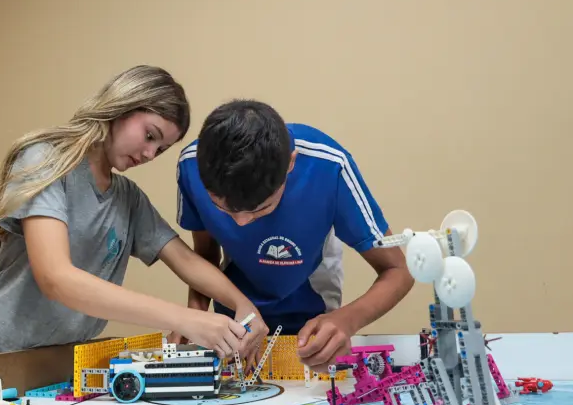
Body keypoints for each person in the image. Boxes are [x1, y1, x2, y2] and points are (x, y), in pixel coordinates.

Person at [0, 66, 266, 361]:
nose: (150, 154)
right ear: (123, 107)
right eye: (150, 136)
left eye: (160, 149)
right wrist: (185, 319)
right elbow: (55, 278)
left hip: (55, 362)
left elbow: (185, 260)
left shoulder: (129, 198)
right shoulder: (45, 161)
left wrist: (243, 305)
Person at [170, 99, 415, 372]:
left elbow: (398, 270)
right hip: (235, 326)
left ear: (290, 163)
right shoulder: (191, 166)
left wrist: (347, 320)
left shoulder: (329, 166)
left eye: (261, 209)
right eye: (223, 209)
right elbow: (205, 255)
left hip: (312, 323)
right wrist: (193, 316)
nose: (241, 223)